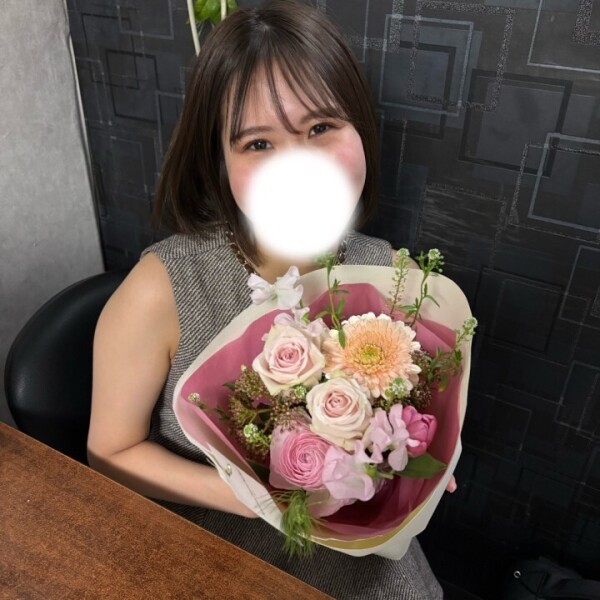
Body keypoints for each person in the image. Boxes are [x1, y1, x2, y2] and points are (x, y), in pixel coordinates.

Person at [88, 1, 444, 598]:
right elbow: (110, 452)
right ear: (219, 161)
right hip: (219, 556)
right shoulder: (161, 289)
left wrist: (413, 459)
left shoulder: (392, 274)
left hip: (370, 560)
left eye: (320, 128)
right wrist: (256, 498)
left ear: (360, 129)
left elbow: (409, 423)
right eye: (258, 143)